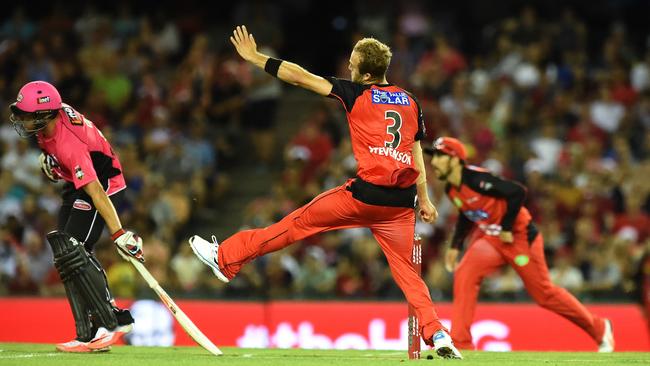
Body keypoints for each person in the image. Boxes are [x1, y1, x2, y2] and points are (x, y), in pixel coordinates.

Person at [189, 25, 462, 359]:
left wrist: (256, 58)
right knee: (409, 274)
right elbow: (415, 148)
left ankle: (225, 258)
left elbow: (300, 76)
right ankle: (438, 334)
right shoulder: (409, 101)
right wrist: (426, 196)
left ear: (365, 72)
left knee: (294, 225)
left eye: (352, 63)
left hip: (364, 196)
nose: (348, 67)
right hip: (401, 203)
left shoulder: (356, 92)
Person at [424, 136, 615, 352]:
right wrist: (455, 246)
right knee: (465, 273)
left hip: (519, 237)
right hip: (493, 239)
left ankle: (600, 328)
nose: (433, 162)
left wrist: (506, 227)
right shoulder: (452, 188)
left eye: (439, 156)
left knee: (544, 295)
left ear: (455, 159)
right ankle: (461, 343)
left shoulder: (476, 179)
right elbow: (468, 213)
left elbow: (517, 192)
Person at [8, 81, 145, 352]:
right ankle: (87, 334)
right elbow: (62, 158)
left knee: (75, 250)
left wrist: (119, 234)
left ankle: (114, 319)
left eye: (26, 114)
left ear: (44, 114)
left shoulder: (70, 144)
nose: (21, 119)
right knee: (64, 251)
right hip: (78, 182)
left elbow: (95, 190)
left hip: (104, 185)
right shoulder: (48, 122)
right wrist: (54, 167)